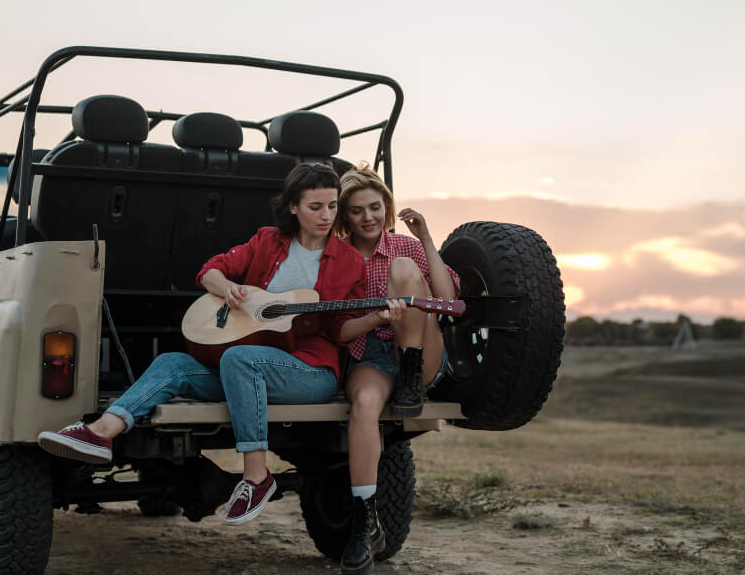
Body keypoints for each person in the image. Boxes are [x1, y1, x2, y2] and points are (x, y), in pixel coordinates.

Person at [38, 162, 365, 526]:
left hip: (308, 371)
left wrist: (376, 318)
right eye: (315, 206)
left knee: (241, 358)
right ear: (293, 206)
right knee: (173, 363)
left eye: (332, 206)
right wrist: (228, 289)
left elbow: (341, 331)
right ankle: (101, 432)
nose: (326, 216)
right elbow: (209, 270)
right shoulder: (268, 241)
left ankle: (257, 477)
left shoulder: (349, 260)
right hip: (244, 370)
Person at [335, 163, 461, 575]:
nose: (368, 217)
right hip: (370, 350)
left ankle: (410, 380)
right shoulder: (337, 257)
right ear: (345, 216)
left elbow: (445, 300)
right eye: (357, 210)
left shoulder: (406, 248)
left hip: (419, 348)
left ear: (386, 208)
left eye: (375, 207)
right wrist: (376, 318)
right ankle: (364, 521)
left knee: (405, 272)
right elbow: (339, 332)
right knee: (365, 405)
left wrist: (425, 238)